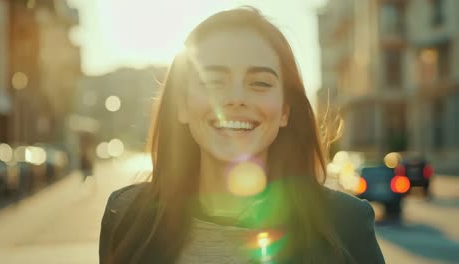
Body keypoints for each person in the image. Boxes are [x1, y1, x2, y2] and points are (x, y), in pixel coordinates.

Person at [99, 7, 385, 264]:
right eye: (213, 81)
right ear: (182, 105)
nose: (236, 98)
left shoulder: (346, 223)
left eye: (260, 83)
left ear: (284, 111)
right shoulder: (125, 217)